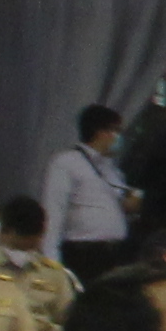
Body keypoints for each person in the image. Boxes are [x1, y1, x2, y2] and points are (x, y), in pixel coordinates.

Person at [42, 102, 135, 279]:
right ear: (101, 132)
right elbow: (54, 211)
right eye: (116, 131)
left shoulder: (111, 169)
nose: (118, 137)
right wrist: (52, 261)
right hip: (85, 253)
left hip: (115, 253)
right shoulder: (66, 162)